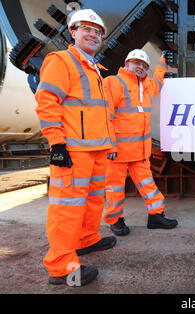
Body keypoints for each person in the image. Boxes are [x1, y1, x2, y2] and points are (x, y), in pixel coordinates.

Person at [35, 9, 118, 286]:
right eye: (87, 29)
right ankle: (61, 267)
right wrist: (56, 143)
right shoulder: (61, 61)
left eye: (98, 32)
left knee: (93, 201)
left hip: (95, 150)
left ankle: (86, 239)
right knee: (67, 208)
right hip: (73, 152)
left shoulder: (94, 69)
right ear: (73, 32)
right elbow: (47, 101)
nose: (93, 35)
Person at [103, 49, 178, 236]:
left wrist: (162, 61)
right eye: (136, 63)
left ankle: (156, 215)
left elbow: (159, 80)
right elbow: (105, 117)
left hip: (140, 153)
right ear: (126, 63)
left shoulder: (146, 87)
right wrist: (110, 145)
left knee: (149, 186)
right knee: (114, 189)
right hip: (117, 153)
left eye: (144, 65)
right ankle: (115, 220)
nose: (140, 67)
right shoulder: (113, 82)